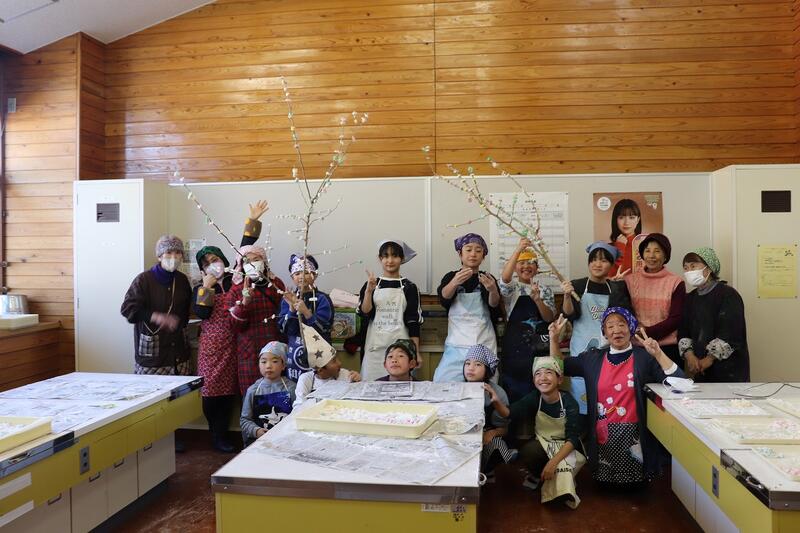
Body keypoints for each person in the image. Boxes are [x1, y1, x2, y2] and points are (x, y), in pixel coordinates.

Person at [549, 309, 684, 485]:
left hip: (635, 435)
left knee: (636, 485)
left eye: (622, 324)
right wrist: (554, 340)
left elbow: (679, 383)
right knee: (604, 485)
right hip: (602, 434)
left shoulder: (644, 357)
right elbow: (559, 366)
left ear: (631, 328)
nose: (616, 330)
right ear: (604, 333)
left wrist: (658, 354)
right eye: (610, 326)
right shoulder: (592, 358)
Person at [193, 200, 268, 453]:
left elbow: (245, 248)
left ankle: (228, 434)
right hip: (212, 349)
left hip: (236, 343)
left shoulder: (235, 278)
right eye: (206, 263)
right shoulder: (200, 288)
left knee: (230, 393)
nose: (212, 265)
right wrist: (206, 288)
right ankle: (216, 435)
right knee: (211, 391)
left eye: (215, 260)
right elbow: (202, 313)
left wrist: (253, 220)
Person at [560, 242, 632, 416]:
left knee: (606, 397)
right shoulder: (577, 285)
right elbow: (570, 314)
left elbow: (624, 317)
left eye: (603, 261)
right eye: (593, 260)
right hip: (581, 348)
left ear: (611, 264)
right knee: (581, 390)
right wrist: (567, 296)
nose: (597, 264)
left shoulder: (616, 288)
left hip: (608, 350)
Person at [509, 357, 584, 509]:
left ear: (559, 379)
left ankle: (559, 479)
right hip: (543, 443)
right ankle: (540, 476)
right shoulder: (535, 397)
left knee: (561, 493)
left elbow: (573, 439)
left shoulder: (569, 402)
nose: (543, 378)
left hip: (566, 447)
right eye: (538, 373)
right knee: (529, 452)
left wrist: (553, 462)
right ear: (534, 380)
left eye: (549, 373)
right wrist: (495, 400)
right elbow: (510, 412)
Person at [434, 233, 503, 382]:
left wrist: (492, 290)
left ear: (483, 256)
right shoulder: (451, 276)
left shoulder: (487, 278)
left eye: (478, 250)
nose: (473, 254)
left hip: (483, 341)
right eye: (469, 249)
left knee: (483, 387)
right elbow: (444, 298)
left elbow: (494, 306)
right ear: (460, 253)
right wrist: (454, 283)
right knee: (444, 380)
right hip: (456, 343)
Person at [121, 234, 192, 376]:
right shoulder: (144, 280)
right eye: (169, 252)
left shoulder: (182, 280)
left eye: (178, 252)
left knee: (182, 389)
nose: (174, 257)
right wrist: (156, 317)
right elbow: (128, 309)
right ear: (159, 256)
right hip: (153, 355)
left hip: (179, 352)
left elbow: (187, 309)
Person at [679, 247, 750, 382]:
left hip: (729, 370)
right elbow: (683, 330)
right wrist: (690, 356)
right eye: (686, 268)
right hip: (700, 370)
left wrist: (709, 359)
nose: (689, 272)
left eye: (693, 266)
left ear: (709, 268)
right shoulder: (690, 298)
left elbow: (732, 333)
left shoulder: (728, 295)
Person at [499, 237, 555, 403]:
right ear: (515, 267)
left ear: (537, 268)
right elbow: (505, 279)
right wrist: (518, 249)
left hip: (539, 350)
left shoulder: (545, 290)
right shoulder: (512, 288)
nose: (526, 266)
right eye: (522, 263)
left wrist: (538, 300)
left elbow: (549, 317)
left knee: (539, 393)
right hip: (514, 350)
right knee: (513, 395)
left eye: (531, 263)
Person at [358, 239, 423, 381]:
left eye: (395, 256)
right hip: (374, 349)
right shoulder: (371, 284)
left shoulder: (410, 287)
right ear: (380, 258)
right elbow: (365, 312)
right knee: (371, 388)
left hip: (401, 350)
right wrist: (369, 292)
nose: (390, 260)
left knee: (401, 389)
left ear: (402, 259)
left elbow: (413, 322)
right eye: (386, 256)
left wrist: (416, 352)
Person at [227, 245, 287, 395]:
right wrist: (244, 302)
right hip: (249, 354)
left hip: (275, 350)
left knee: (279, 397)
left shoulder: (276, 284)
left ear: (264, 261)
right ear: (241, 265)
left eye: (256, 259)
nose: (252, 264)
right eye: (247, 261)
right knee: (252, 397)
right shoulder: (235, 290)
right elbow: (233, 326)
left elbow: (284, 318)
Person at [625, 233, 685, 368]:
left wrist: (646, 332)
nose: (651, 256)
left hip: (667, 349)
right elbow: (625, 313)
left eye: (657, 251)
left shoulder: (676, 282)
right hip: (637, 347)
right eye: (647, 251)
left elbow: (676, 318)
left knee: (670, 381)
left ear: (665, 256)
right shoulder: (629, 280)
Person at [278, 254, 334, 382]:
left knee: (320, 386)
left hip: (320, 356)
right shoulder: (287, 298)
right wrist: (291, 309)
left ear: (315, 275)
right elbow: (285, 330)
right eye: (297, 273)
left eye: (306, 273)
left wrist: (306, 312)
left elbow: (325, 328)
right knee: (296, 389)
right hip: (295, 356)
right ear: (292, 277)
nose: (301, 276)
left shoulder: (322, 299)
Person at [461, 344, 515, 478]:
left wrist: (492, 432)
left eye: (478, 364)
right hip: (463, 437)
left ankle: (487, 470)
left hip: (486, 438)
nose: (471, 368)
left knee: (498, 444)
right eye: (467, 363)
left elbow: (505, 429)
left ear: (487, 370)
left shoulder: (498, 393)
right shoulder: (458, 388)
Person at [240, 341, 297, 447]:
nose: (268, 366)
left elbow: (297, 416)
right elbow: (245, 420)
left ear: (283, 365)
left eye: (274, 361)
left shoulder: (292, 388)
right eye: (263, 361)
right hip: (259, 442)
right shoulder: (253, 390)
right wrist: (256, 431)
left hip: (286, 440)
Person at [293, 323, 361, 407]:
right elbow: (298, 407)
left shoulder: (345, 375)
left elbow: (356, 403)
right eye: (334, 361)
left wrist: (357, 383)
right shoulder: (306, 380)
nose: (340, 363)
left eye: (337, 358)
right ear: (320, 369)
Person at [609, 198, 642, 277]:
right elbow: (609, 277)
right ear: (615, 220)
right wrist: (620, 246)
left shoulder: (644, 245)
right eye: (621, 217)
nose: (626, 222)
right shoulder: (608, 248)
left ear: (638, 220)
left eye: (632, 217)